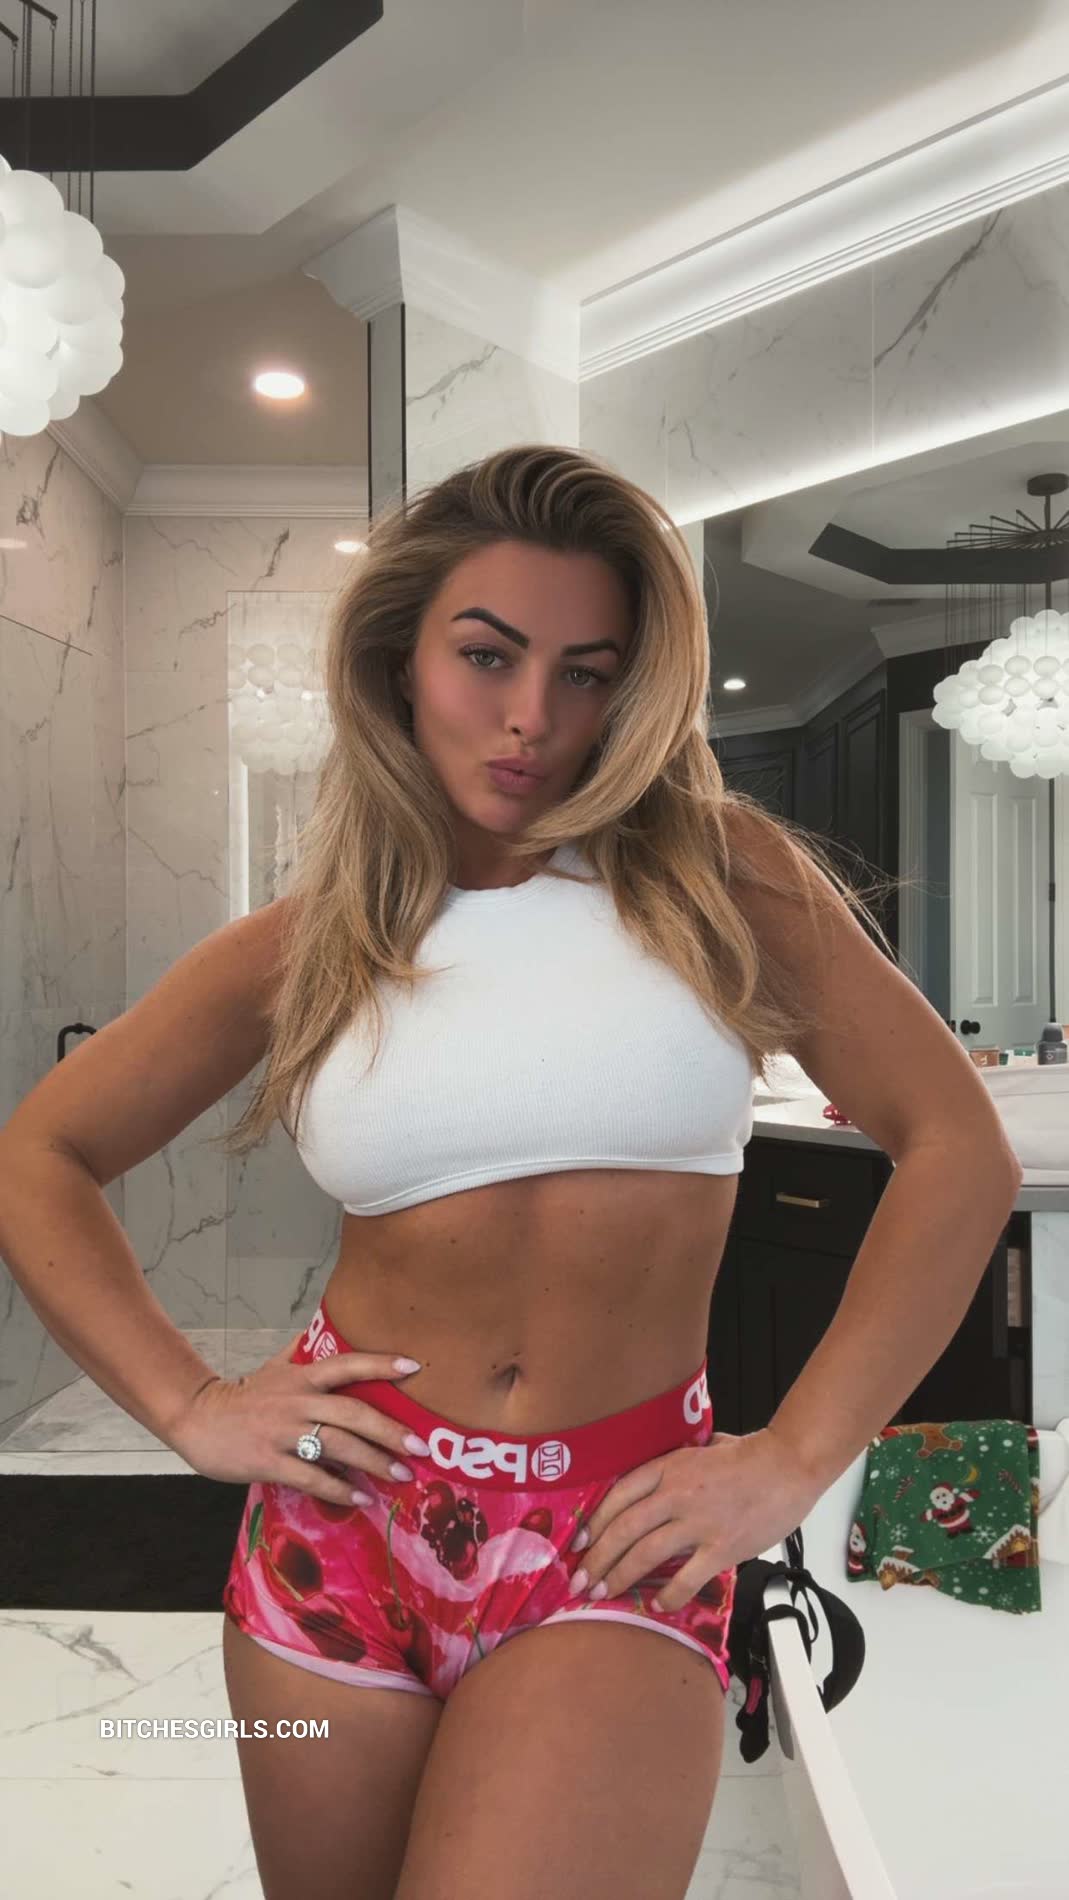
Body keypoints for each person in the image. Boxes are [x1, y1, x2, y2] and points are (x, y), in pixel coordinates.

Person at [0, 443, 1023, 1900]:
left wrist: (797, 1457)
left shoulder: (722, 880)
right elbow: (40, 1153)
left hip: (614, 1536)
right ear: (400, 661)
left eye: (586, 673)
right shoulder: (312, 940)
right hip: (341, 1530)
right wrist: (190, 1405)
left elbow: (956, 1151)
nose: (532, 716)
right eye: (486, 656)